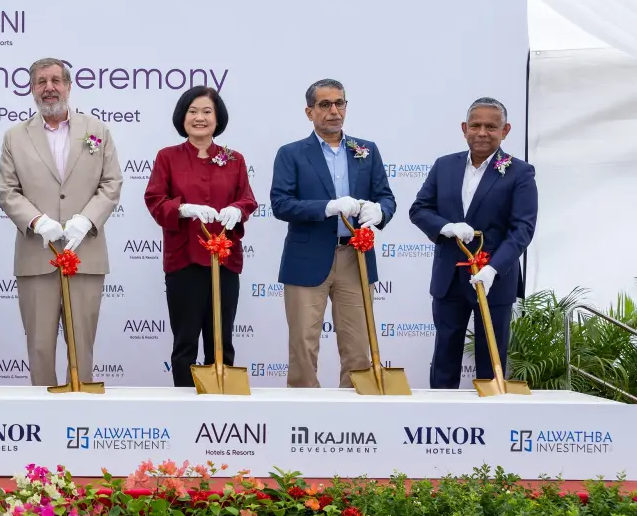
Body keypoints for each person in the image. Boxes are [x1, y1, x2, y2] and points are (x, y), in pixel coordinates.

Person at [0, 57, 122, 387]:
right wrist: (36, 221)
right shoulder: (15, 137)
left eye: (55, 81)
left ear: (68, 86)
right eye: (41, 82)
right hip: (37, 256)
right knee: (39, 347)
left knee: (83, 346)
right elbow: (7, 189)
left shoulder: (98, 131)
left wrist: (86, 219)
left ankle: (80, 414)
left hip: (86, 254)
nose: (49, 88)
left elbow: (111, 183)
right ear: (32, 89)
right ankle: (41, 415)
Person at [270, 78, 396, 388]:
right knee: (303, 346)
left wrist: (380, 212)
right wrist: (327, 207)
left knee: (357, 349)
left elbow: (386, 197)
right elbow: (281, 204)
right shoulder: (292, 153)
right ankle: (302, 414)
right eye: (325, 105)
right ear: (309, 111)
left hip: (356, 258)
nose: (334, 111)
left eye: (339, 103)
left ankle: (352, 415)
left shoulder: (366, 150)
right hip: (306, 258)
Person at [409, 97, 538, 389]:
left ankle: (491, 420)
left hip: (494, 279)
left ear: (505, 131)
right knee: (444, 355)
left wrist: (493, 269)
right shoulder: (444, 166)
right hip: (449, 279)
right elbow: (419, 210)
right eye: (476, 125)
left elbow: (523, 229)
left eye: (491, 126)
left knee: (490, 359)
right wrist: (447, 227)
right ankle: (439, 418)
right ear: (465, 128)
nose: (482, 132)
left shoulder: (520, 172)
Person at [144, 86, 257, 387]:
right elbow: (155, 200)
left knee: (222, 338)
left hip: (225, 260)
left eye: (207, 111)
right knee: (185, 342)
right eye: (193, 111)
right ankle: (184, 404)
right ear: (182, 117)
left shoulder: (235, 159)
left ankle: (221, 400)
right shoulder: (167, 157)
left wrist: (237, 209)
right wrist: (182, 209)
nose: (199, 118)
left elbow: (248, 199)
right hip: (184, 259)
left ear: (218, 118)